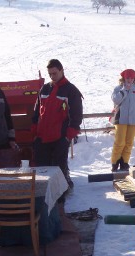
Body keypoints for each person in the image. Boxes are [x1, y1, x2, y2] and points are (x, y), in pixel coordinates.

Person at [32, 59, 83, 189]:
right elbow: (37, 111)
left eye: (54, 73)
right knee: (42, 169)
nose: (52, 76)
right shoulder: (44, 88)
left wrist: (68, 137)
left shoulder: (71, 91)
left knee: (59, 169)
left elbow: (76, 116)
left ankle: (61, 197)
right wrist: (34, 130)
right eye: (50, 74)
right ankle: (44, 195)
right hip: (42, 137)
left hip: (59, 138)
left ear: (61, 70)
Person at [111, 69, 135, 172]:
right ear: (123, 78)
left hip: (134, 121)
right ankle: (115, 163)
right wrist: (124, 90)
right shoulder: (118, 89)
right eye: (128, 78)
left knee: (129, 143)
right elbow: (116, 100)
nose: (129, 80)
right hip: (121, 120)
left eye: (131, 78)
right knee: (119, 142)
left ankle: (124, 162)